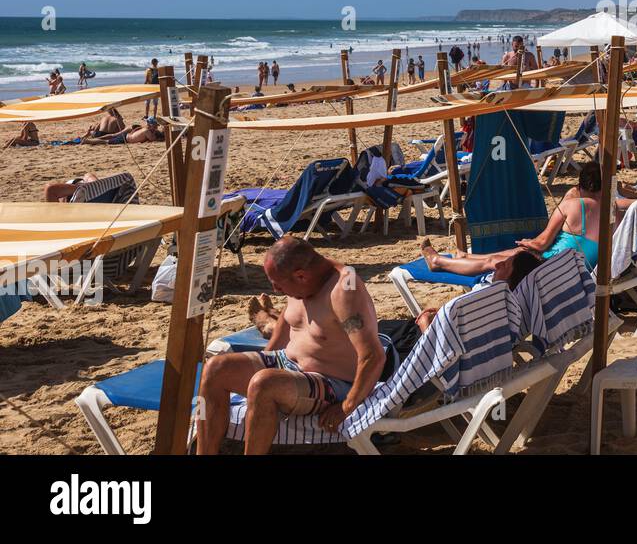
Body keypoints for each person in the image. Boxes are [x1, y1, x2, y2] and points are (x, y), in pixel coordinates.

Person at [197, 237, 385, 455]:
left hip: (333, 382)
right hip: (287, 363)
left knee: (264, 383)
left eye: (277, 284)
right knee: (215, 368)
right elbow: (286, 324)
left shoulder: (344, 290)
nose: (275, 290)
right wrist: (260, 361)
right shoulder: (302, 284)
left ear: (301, 276)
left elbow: (373, 355)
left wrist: (347, 407)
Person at [421, 161, 606, 275]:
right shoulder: (611, 211)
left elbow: (541, 243)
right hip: (578, 269)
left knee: (497, 262)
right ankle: (466, 256)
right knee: (516, 253)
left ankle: (438, 262)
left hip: (553, 269)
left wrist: (528, 241)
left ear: (580, 184)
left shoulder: (572, 205)